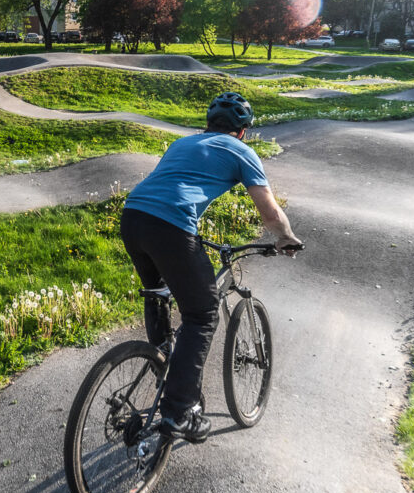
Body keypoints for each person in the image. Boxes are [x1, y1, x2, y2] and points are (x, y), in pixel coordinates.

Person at [120, 92, 302, 444]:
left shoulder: (182, 143)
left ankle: (164, 367)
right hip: (169, 226)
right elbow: (270, 212)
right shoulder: (242, 152)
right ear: (243, 132)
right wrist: (286, 237)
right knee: (202, 314)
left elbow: (172, 187)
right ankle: (178, 411)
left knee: (158, 294)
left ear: (207, 125)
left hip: (133, 218)